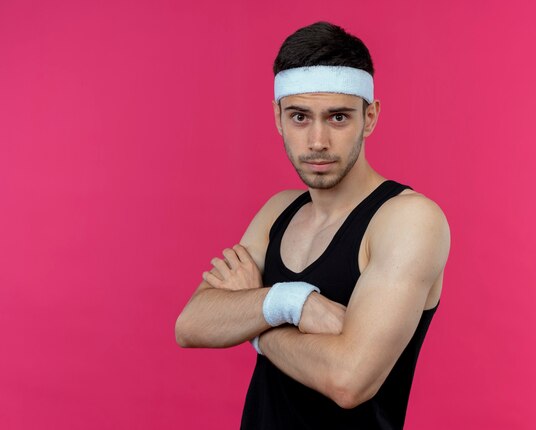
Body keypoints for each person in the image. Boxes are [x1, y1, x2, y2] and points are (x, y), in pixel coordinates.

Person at [175, 21, 451, 429]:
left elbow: (349, 380)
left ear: (369, 117)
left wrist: (262, 317)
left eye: (338, 117)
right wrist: (296, 304)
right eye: (300, 117)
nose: (317, 141)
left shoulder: (407, 219)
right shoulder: (279, 210)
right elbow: (191, 322)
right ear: (278, 117)